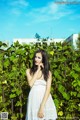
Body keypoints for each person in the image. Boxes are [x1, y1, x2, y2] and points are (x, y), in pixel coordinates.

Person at [25, 49, 57, 120]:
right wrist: (38, 70)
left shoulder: (48, 73)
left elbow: (48, 90)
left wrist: (42, 106)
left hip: (45, 99)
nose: (36, 59)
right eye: (35, 57)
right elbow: (30, 84)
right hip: (33, 99)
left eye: (39, 58)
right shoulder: (29, 71)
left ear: (43, 60)